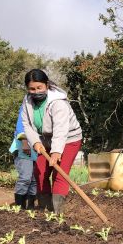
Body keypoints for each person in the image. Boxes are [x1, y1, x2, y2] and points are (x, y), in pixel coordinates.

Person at [21, 69, 82, 214]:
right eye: (32, 89)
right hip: (44, 139)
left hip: (68, 139)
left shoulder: (58, 103)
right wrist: (35, 142)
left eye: (39, 88)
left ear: (46, 85)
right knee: (40, 172)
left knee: (59, 174)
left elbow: (61, 130)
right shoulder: (27, 101)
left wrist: (56, 152)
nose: (35, 92)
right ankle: (44, 209)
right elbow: (27, 124)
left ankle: (58, 211)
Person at [9, 104, 37, 209]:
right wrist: (25, 142)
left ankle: (30, 207)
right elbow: (20, 124)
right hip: (23, 146)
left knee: (34, 180)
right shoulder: (28, 105)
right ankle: (20, 207)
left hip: (35, 147)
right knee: (25, 177)